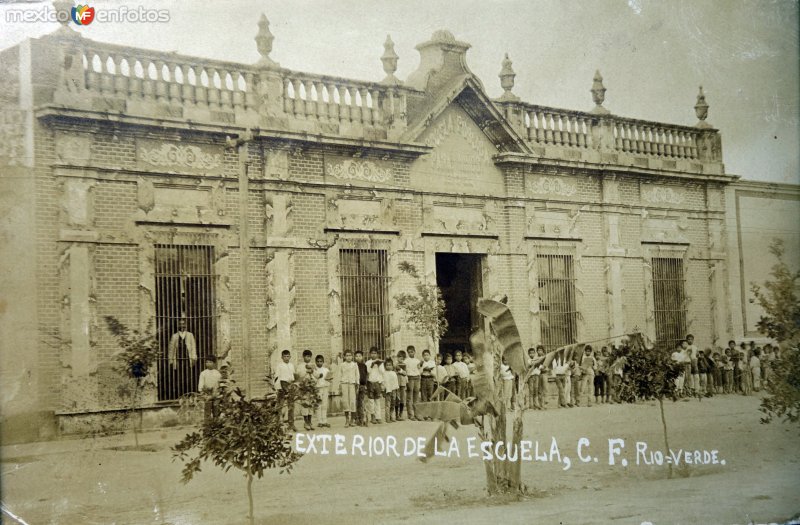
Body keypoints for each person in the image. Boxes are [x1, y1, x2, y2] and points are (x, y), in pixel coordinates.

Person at [168, 318, 198, 399]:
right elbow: (171, 349)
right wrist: (171, 360)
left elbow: (193, 347)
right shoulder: (174, 336)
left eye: (183, 324)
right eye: (180, 324)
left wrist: (194, 357)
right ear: (178, 325)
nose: (182, 326)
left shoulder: (190, 335)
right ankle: (179, 395)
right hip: (178, 359)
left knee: (188, 377)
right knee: (178, 377)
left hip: (187, 359)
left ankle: (188, 395)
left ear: (186, 325)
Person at [274, 349, 297, 431]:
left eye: (288, 356)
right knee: (280, 405)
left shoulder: (291, 365)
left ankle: (291, 424)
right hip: (282, 386)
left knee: (291, 406)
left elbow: (293, 376)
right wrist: (279, 388)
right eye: (285, 356)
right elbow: (277, 377)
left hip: (290, 386)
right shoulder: (279, 366)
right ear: (282, 357)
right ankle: (277, 424)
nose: (286, 358)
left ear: (290, 357)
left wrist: (293, 386)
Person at [296, 349, 316, 431]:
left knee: (311, 404)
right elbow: (298, 376)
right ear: (303, 357)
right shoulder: (300, 366)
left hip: (311, 387)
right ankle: (306, 422)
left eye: (309, 357)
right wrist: (306, 371)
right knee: (305, 404)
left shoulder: (312, 365)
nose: (308, 358)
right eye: (307, 356)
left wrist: (312, 373)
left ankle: (310, 422)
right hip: (304, 387)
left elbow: (316, 376)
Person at [197, 356, 221, 421]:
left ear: (214, 363)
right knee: (207, 411)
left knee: (216, 410)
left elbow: (219, 384)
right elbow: (201, 384)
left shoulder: (217, 373)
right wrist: (203, 393)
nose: (208, 363)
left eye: (210, 362)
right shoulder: (203, 373)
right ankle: (207, 425)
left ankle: (216, 424)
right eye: (207, 362)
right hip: (207, 394)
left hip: (216, 394)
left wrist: (216, 393)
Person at [339, 350, 358, 427]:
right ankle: (347, 420)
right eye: (347, 355)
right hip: (344, 384)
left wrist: (357, 384)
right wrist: (340, 385)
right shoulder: (342, 365)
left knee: (353, 402)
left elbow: (357, 375)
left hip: (352, 384)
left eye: (350, 355)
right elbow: (340, 375)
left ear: (352, 356)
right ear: (344, 357)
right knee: (345, 402)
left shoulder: (354, 365)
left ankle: (352, 420)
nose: (348, 357)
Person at [366, 347, 385, 424]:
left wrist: (379, 364)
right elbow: (368, 372)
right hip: (370, 383)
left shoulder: (380, 363)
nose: (373, 355)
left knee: (377, 400)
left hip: (377, 383)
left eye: (375, 353)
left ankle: (378, 417)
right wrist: (372, 364)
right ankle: (372, 416)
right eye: (372, 353)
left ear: (377, 354)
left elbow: (382, 372)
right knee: (371, 401)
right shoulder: (367, 362)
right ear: (369, 354)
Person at [314, 355, 332, 428]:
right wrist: (318, 377)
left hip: (325, 388)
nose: (319, 363)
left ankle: (324, 421)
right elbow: (313, 380)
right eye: (318, 361)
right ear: (315, 362)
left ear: (323, 362)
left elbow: (329, 379)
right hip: (318, 388)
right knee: (319, 405)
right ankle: (319, 421)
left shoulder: (326, 370)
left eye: (321, 361)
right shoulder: (314, 370)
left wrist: (329, 379)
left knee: (324, 404)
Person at [405, 346, 421, 421]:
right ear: (407, 353)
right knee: (409, 397)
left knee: (416, 397)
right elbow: (405, 370)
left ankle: (417, 414)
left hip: (417, 378)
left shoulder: (417, 360)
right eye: (409, 352)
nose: (411, 353)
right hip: (410, 378)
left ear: (415, 352)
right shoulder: (406, 361)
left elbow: (419, 369)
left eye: (412, 351)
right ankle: (410, 415)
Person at [383, 358, 399, 423]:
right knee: (388, 404)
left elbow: (396, 382)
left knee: (393, 404)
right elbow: (383, 383)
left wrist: (396, 390)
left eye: (390, 365)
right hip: (388, 391)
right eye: (387, 365)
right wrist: (384, 390)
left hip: (394, 390)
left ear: (392, 366)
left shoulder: (394, 373)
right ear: (385, 366)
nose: (388, 366)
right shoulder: (384, 373)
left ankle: (392, 417)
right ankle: (387, 418)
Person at [355, 350, 368, 426]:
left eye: (360, 356)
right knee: (356, 403)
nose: (358, 357)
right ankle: (357, 419)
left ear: (362, 357)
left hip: (362, 386)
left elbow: (366, 375)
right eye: (356, 356)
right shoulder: (354, 365)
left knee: (362, 403)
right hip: (356, 386)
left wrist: (365, 385)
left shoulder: (364, 366)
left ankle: (364, 419)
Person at [395, 350, 408, 421]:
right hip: (396, 383)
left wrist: (400, 370)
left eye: (403, 358)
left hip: (402, 384)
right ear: (397, 358)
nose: (401, 359)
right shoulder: (395, 365)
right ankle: (396, 414)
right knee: (397, 399)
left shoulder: (404, 365)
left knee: (402, 399)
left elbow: (405, 373)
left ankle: (401, 414)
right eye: (400, 358)